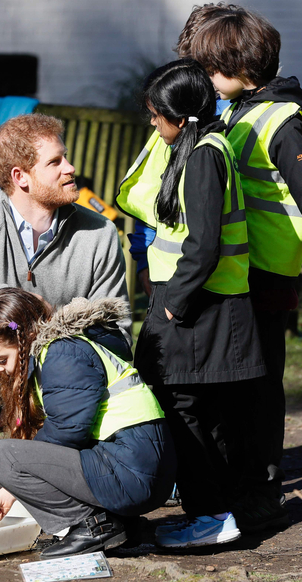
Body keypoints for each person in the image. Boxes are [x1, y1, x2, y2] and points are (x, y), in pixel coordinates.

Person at [181, 3, 302, 531]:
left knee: (258, 387)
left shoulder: (283, 123)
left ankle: (260, 489)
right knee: (229, 382)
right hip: (235, 271)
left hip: (268, 276)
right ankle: (232, 478)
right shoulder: (236, 111)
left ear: (245, 69)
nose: (207, 80)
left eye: (212, 70)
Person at [0, 114, 130, 491]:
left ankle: (75, 471)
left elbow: (117, 334)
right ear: (20, 177)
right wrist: (3, 299)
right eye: (55, 162)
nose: (71, 168)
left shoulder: (99, 233)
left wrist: (49, 335)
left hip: (59, 387)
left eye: (66, 158)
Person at [116, 59, 266, 549]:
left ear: (179, 117)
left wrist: (169, 308)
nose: (153, 126)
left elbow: (203, 246)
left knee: (186, 411)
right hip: (196, 305)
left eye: (157, 117)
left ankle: (211, 517)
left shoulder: (203, 154)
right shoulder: (198, 146)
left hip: (198, 308)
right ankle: (213, 512)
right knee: (196, 411)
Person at [0, 288, 176, 558]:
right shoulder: (66, 348)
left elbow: (68, 431)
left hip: (132, 471)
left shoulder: (63, 352)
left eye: (1, 359)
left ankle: (96, 525)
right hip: (136, 466)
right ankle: (120, 524)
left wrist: (11, 489)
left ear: (23, 338)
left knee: (4, 457)